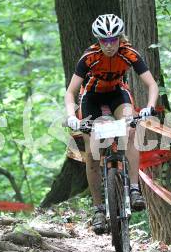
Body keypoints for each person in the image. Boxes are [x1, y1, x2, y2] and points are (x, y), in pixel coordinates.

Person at [65, 14, 159, 234]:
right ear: (98, 40)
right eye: (104, 41)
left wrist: (150, 106)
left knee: (130, 127)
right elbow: (70, 92)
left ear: (120, 38)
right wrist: (72, 116)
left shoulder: (129, 53)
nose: (109, 45)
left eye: (113, 40)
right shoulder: (89, 57)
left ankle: (134, 189)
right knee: (93, 152)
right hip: (91, 98)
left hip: (118, 94)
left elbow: (152, 84)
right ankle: (98, 209)